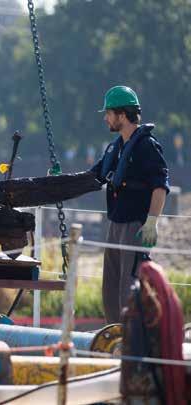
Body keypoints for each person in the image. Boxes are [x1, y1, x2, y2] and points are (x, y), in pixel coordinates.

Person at [90, 85, 169, 324]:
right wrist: (58, 180)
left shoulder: (147, 146)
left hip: (134, 226)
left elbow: (160, 185)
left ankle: (133, 343)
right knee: (110, 289)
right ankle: (114, 337)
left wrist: (151, 222)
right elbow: (92, 176)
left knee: (129, 288)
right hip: (114, 225)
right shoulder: (116, 148)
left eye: (108, 113)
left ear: (122, 115)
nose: (105, 118)